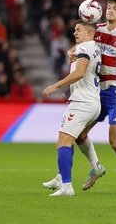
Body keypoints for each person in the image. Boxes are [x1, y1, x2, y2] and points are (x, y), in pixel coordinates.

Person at [44, 0, 116, 194]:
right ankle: (95, 168)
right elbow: (81, 47)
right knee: (78, 134)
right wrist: (72, 53)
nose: (110, 10)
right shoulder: (97, 30)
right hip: (97, 92)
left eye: (115, 8)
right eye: (109, 7)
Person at [42, 19, 102, 196]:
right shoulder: (94, 48)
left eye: (78, 30)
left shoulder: (85, 48)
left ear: (89, 32)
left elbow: (80, 72)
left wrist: (56, 86)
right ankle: (62, 177)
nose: (74, 33)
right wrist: (71, 52)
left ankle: (66, 187)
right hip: (92, 102)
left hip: (82, 103)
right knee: (72, 138)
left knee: (63, 142)